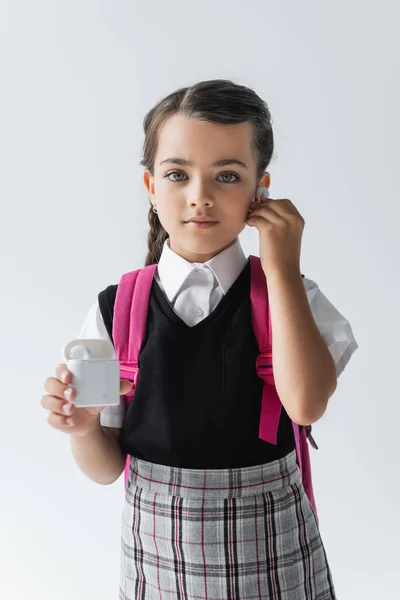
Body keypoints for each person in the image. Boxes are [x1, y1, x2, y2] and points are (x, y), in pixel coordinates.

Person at [42, 79, 358, 599]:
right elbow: (106, 469)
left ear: (261, 188)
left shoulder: (289, 297)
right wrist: (82, 429)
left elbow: (305, 404)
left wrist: (281, 266)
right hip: (156, 559)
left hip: (275, 558)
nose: (200, 197)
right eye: (177, 174)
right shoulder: (116, 309)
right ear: (150, 186)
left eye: (228, 175)